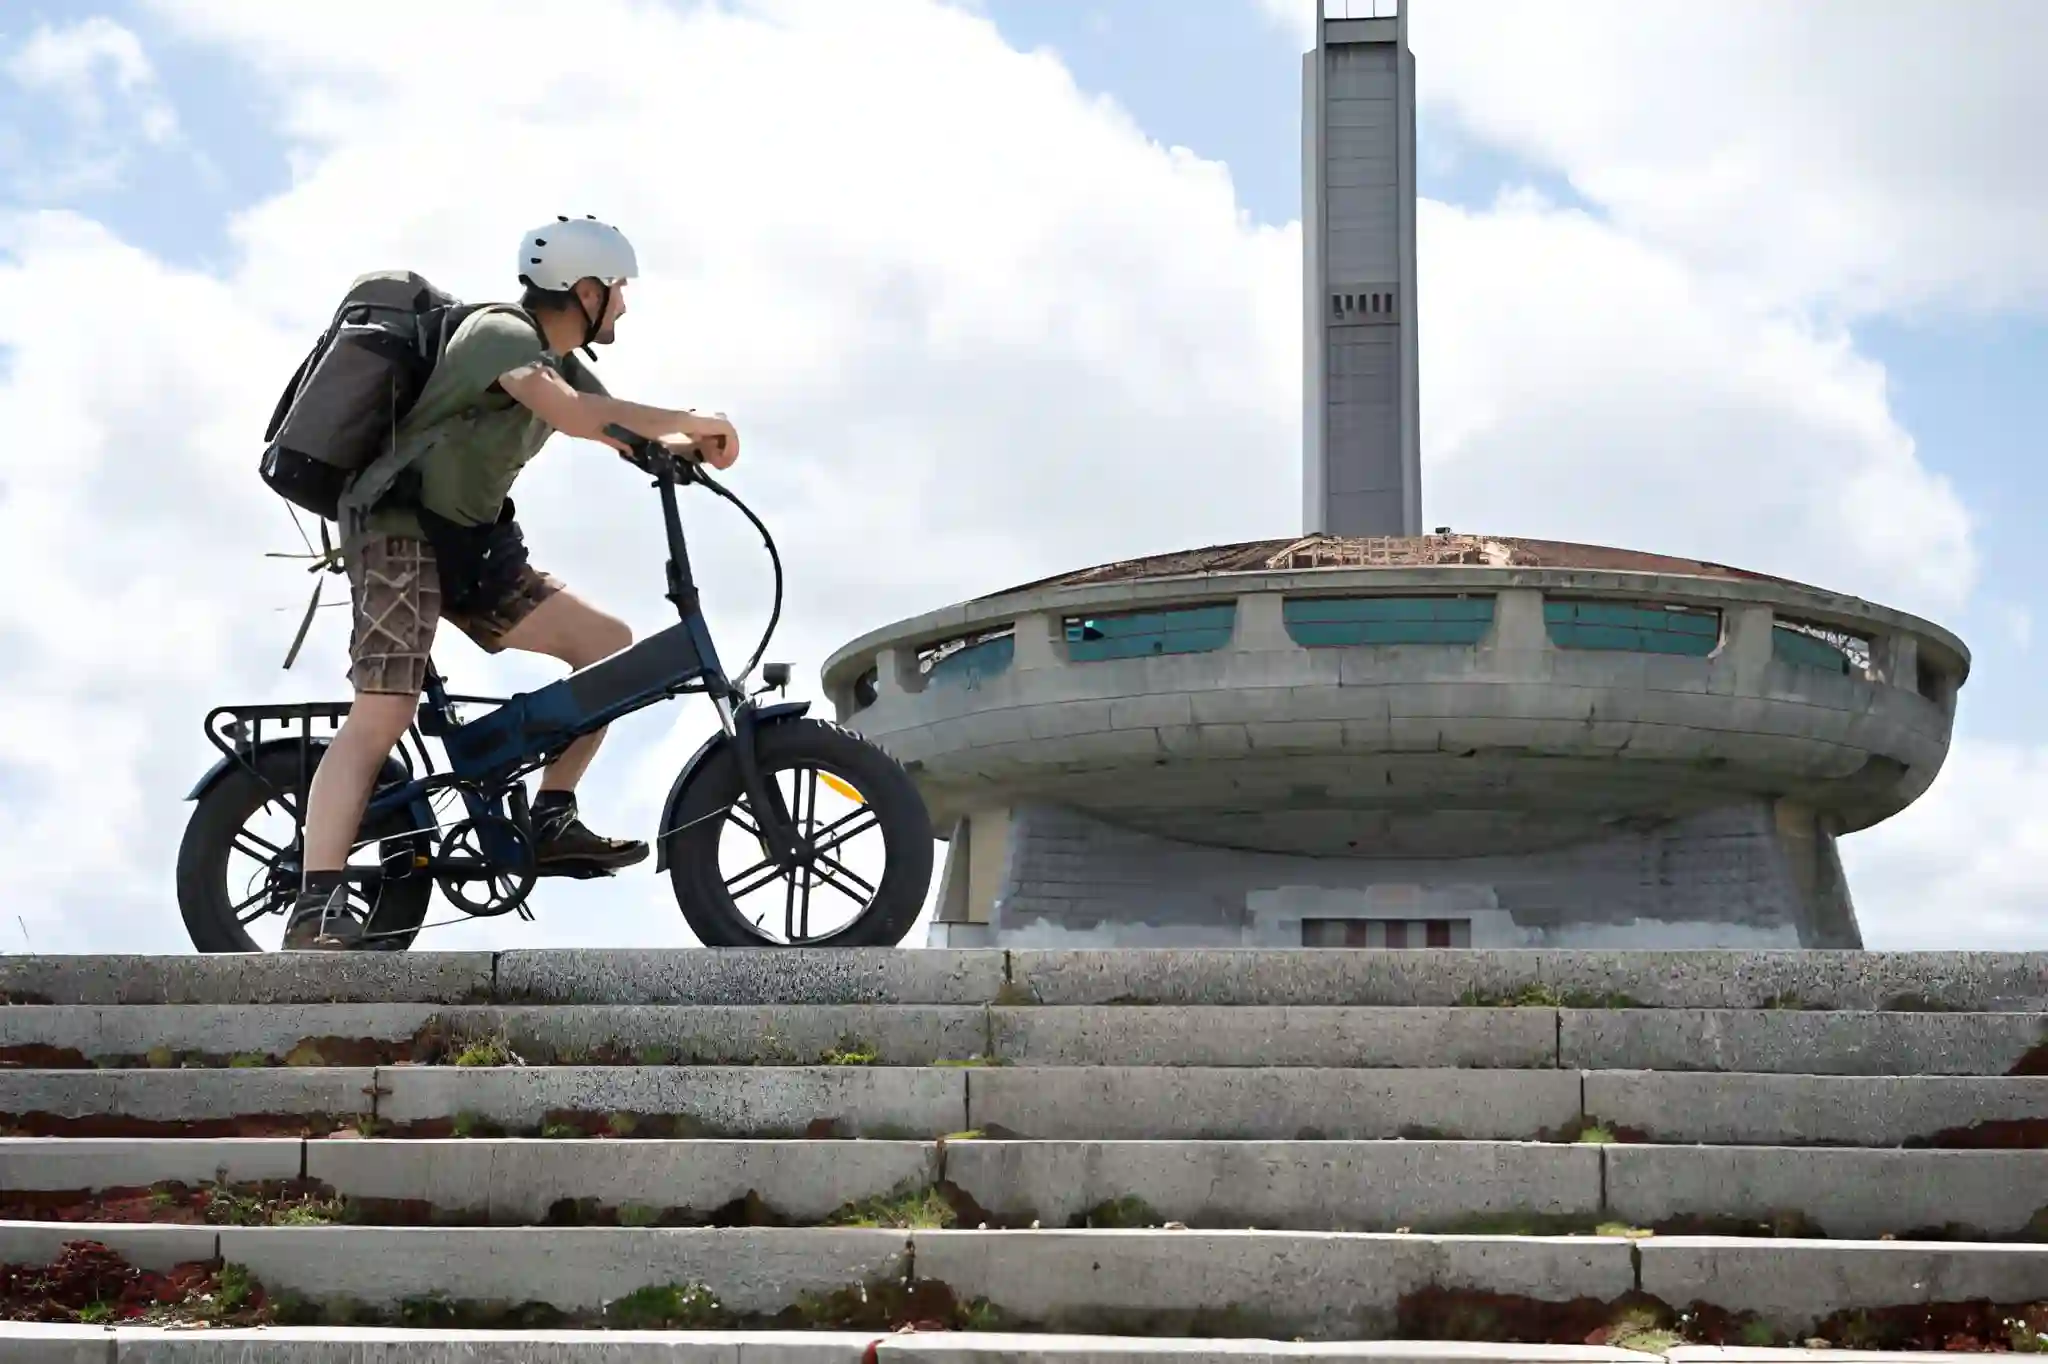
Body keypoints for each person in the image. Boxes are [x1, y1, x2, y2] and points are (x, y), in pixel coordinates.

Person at [284, 216, 739, 950]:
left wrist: (697, 445)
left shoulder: (558, 361)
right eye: (618, 290)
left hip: (471, 545)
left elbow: (619, 429)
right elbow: (577, 417)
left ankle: (550, 817)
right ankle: (316, 906)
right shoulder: (500, 336)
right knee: (385, 711)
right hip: (399, 532)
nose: (623, 305)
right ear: (584, 291)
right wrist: (693, 417)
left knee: (607, 647)